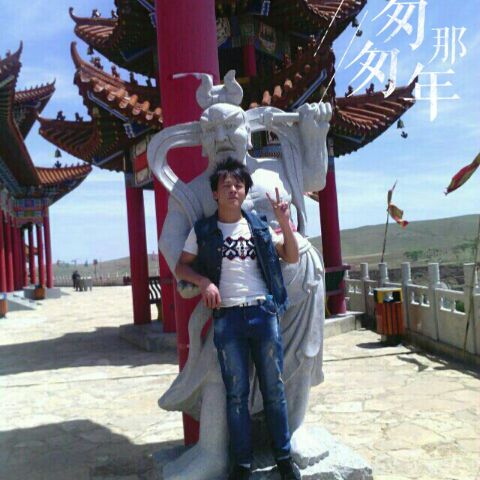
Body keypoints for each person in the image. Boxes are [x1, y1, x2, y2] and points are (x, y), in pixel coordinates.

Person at [175, 157, 300, 480]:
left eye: (238, 185)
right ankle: (242, 463)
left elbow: (291, 255)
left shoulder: (259, 225)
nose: (233, 189)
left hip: (263, 313)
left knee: (274, 390)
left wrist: (284, 221)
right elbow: (181, 266)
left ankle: (284, 458)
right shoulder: (203, 230)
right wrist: (204, 282)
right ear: (215, 193)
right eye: (226, 185)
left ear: (245, 191)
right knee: (236, 395)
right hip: (228, 318)